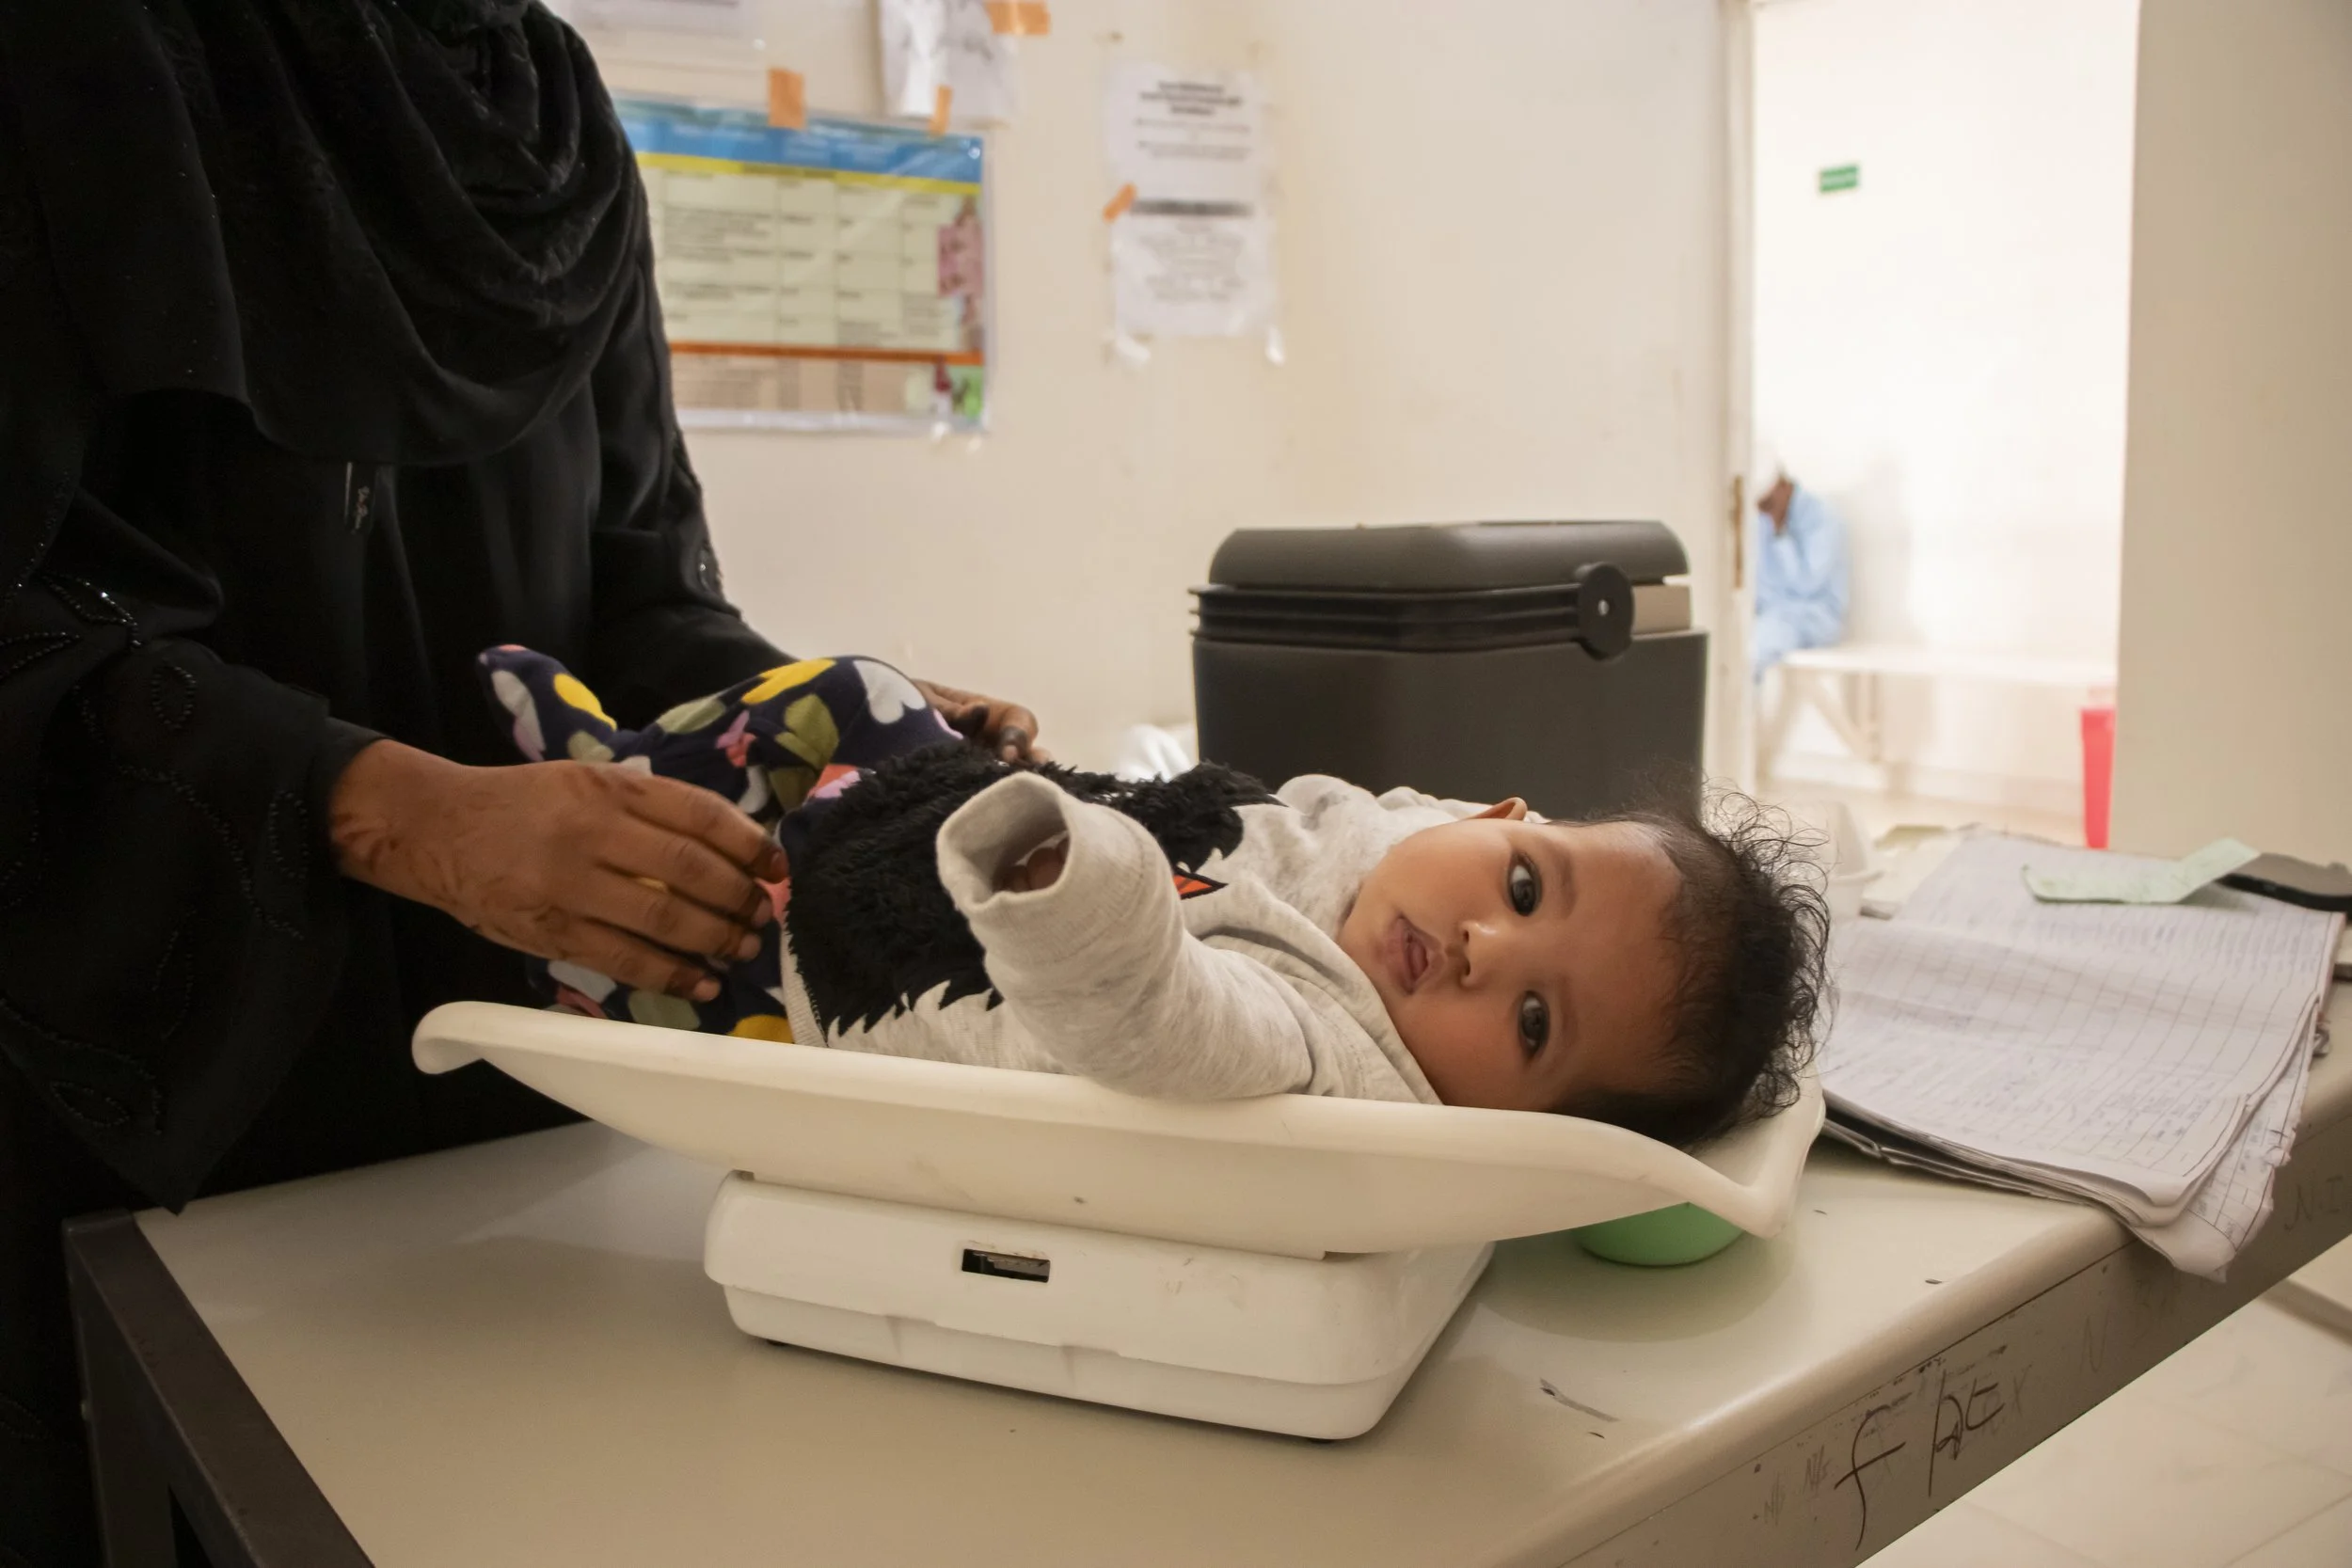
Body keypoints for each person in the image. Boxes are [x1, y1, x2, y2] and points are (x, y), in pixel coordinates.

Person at [0, 6, 1039, 1562]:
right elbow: (29, 624)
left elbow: (636, 588)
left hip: (514, 1096)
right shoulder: (73, 68)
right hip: (164, 1100)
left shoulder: (540, 114)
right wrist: (401, 810)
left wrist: (837, 716)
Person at [484, 647, 1830, 1148]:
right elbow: (1423, 823)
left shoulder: (1329, 1047)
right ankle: (629, 758)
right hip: (915, 837)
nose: (1485, 944)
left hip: (845, 968)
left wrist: (1078, 869)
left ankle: (606, 856)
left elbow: (1156, 1005)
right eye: (1527, 884)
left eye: (1537, 1023)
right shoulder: (1402, 855)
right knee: (862, 693)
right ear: (1504, 818)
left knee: (688, 954)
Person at [1750, 445, 1851, 677]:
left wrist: (1781, 534)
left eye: (1767, 505)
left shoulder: (1824, 518)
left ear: (1783, 486)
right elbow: (1762, 584)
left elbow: (1806, 585)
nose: (1765, 514)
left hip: (1814, 618)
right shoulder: (1765, 518)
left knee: (1753, 652)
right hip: (1772, 617)